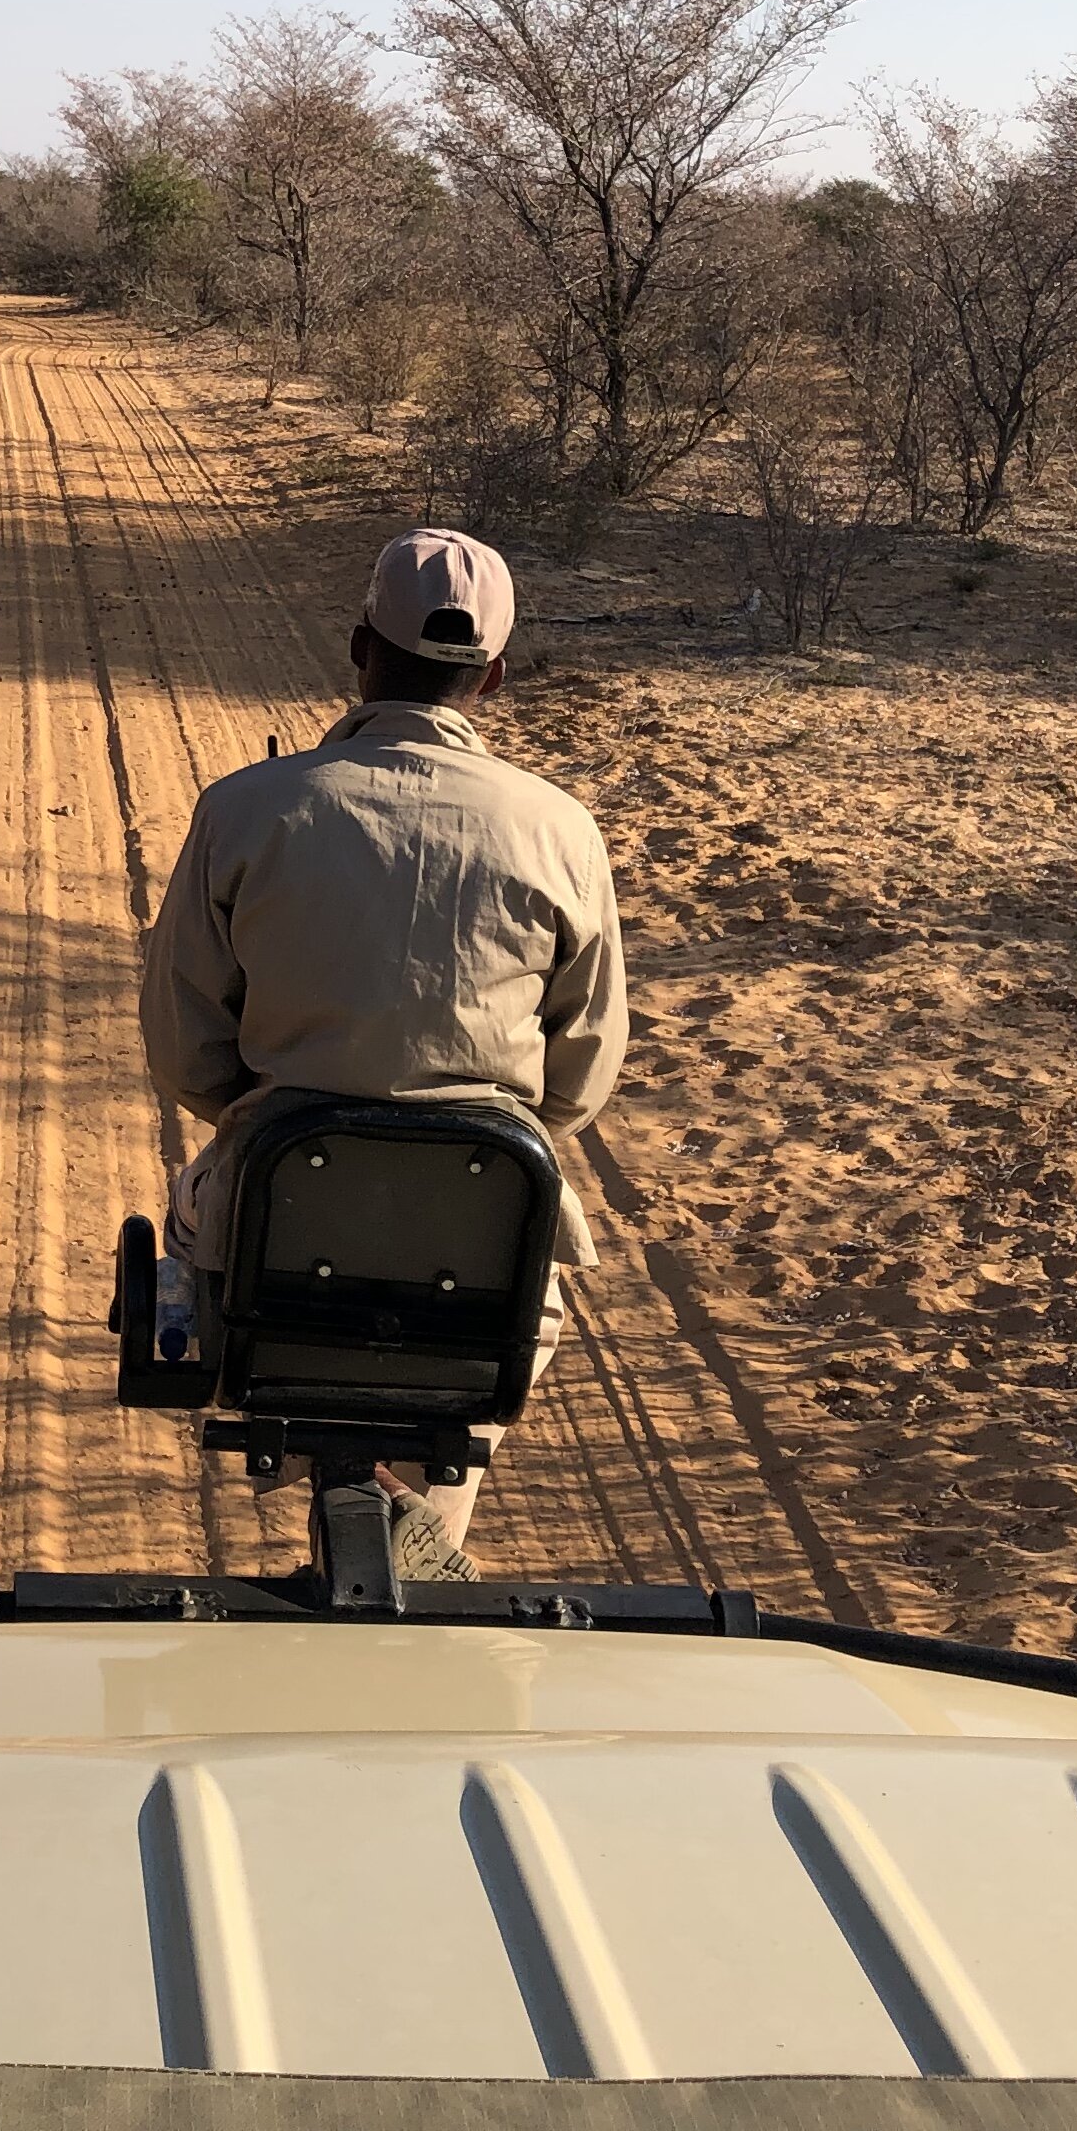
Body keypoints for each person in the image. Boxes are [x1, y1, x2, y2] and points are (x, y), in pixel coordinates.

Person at [139, 526, 627, 1577]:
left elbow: (187, 1049)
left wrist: (268, 1107)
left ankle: (345, 1487)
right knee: (498, 1333)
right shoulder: (561, 830)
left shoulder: (246, 809)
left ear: (360, 649)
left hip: (275, 1207)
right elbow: (582, 1073)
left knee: (190, 1224)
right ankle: (422, 1525)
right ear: (492, 675)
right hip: (488, 1221)